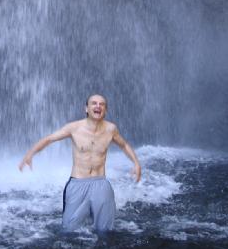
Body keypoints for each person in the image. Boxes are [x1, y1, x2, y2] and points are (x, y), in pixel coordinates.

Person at [18, 94, 141, 233]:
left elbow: (124, 145)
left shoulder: (111, 129)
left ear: (105, 110)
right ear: (86, 109)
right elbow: (49, 139)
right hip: (77, 184)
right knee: (69, 230)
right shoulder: (74, 128)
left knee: (106, 230)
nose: (98, 106)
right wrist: (30, 154)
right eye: (94, 103)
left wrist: (136, 163)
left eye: (102, 104)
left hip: (101, 183)